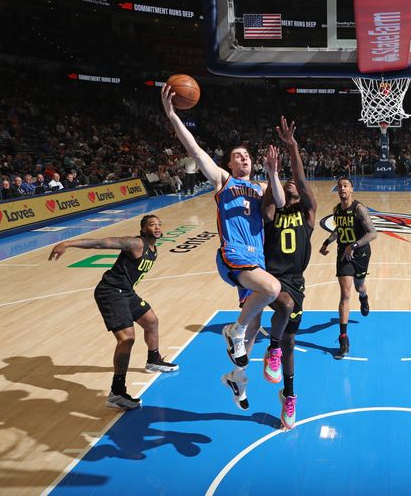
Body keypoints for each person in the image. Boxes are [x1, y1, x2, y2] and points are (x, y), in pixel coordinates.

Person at [161, 85, 285, 410]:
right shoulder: (223, 181)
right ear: (229, 164)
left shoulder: (259, 187)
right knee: (271, 290)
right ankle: (234, 329)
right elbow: (197, 150)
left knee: (256, 324)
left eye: (246, 156)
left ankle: (237, 378)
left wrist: (272, 175)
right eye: (236, 156)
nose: (242, 158)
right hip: (234, 253)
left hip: (255, 259)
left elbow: (281, 202)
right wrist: (174, 117)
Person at [48, 215, 179, 410]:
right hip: (110, 292)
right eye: (152, 225)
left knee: (151, 321)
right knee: (127, 339)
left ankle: (153, 360)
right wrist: (67, 243)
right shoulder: (135, 243)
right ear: (143, 230)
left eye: (159, 224)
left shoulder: (154, 248)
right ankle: (117, 393)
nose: (157, 227)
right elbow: (102, 243)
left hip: (126, 292)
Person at [237, 117, 317, 430]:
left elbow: (300, 177)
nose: (291, 183)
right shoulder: (272, 212)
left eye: (294, 184)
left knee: (291, 345)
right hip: (270, 280)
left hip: (296, 282)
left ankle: (289, 395)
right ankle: (271, 347)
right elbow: (270, 197)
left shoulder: (308, 211)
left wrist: (292, 145)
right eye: (287, 183)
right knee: (282, 307)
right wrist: (272, 172)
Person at [319, 177, 377, 359]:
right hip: (343, 255)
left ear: (352, 189)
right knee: (345, 294)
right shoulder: (336, 210)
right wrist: (326, 242)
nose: (342, 189)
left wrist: (353, 245)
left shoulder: (359, 209)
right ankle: (343, 338)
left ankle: (364, 297)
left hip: (360, 253)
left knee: (359, 286)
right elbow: (338, 230)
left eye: (345, 186)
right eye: (339, 186)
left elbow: (372, 233)